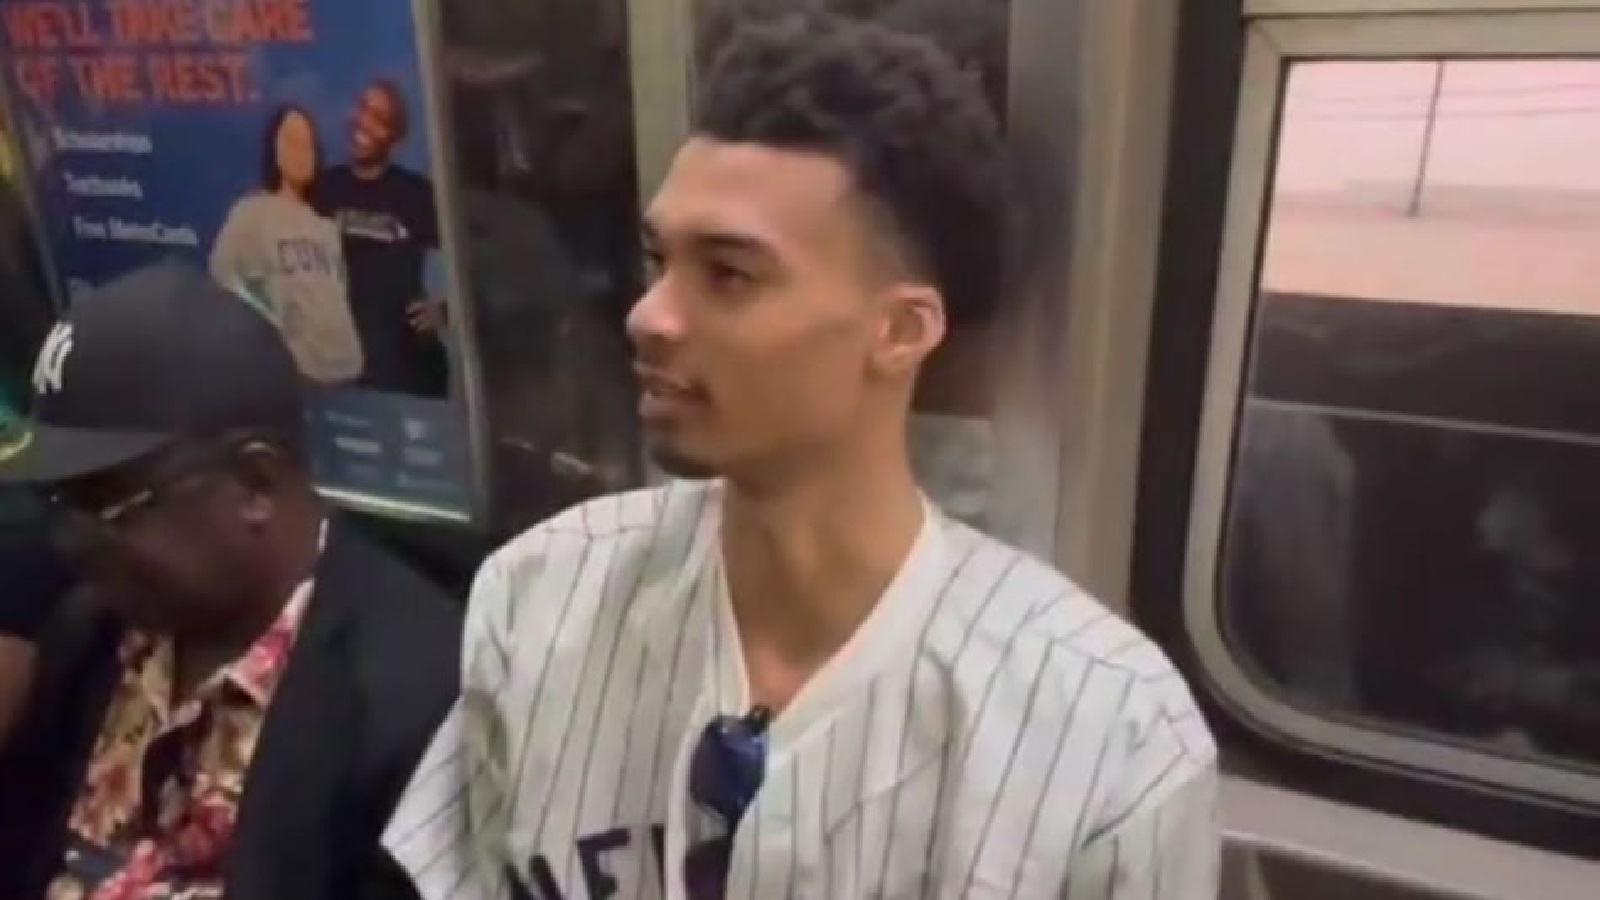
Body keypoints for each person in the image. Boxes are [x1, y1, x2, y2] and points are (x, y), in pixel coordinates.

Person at [386, 8, 1219, 900]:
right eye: (657, 260)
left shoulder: (1108, 731)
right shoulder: (539, 598)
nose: (648, 316)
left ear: (900, 330)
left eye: (729, 274)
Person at [0, 261, 462, 900]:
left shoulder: (414, 707)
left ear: (256, 484)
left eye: (104, 505)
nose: (73, 540)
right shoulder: (92, 635)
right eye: (58, 503)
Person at [314, 80, 450, 399]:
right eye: (362, 108)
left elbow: (471, 257)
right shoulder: (324, 189)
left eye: (379, 118)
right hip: (337, 365)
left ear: (394, 135)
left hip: (403, 371)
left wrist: (446, 311)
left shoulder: (414, 193)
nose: (364, 121)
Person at [211, 104, 365, 384]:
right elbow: (223, 275)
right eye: (292, 141)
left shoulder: (326, 228)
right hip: (300, 372)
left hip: (348, 368)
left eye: (308, 145)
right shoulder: (253, 212)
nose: (301, 153)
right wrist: (271, 325)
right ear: (275, 149)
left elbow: (338, 292)